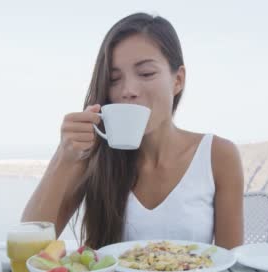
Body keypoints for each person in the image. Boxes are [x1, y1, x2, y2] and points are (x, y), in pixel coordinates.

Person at [22, 12, 244, 250]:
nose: (128, 90)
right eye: (114, 79)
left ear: (177, 80)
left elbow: (231, 265)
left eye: (146, 73)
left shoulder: (218, 155)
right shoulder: (93, 155)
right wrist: (63, 157)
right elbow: (27, 247)